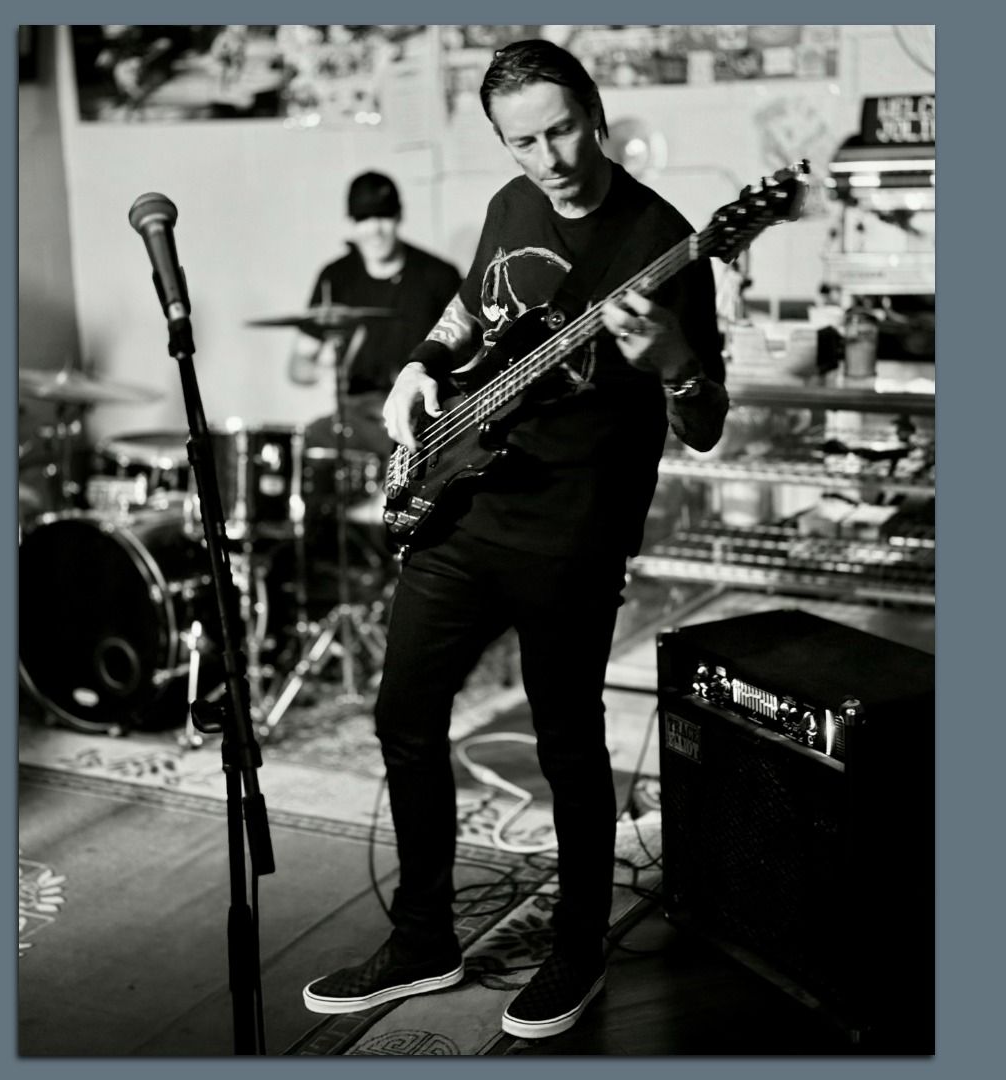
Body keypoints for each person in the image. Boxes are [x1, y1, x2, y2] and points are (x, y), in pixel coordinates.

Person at [300, 40, 728, 1040]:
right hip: (467, 506)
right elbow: (470, 309)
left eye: (563, 130)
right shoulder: (511, 203)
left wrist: (672, 362)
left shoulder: (665, 241)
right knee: (403, 710)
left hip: (574, 532)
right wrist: (419, 365)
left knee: (566, 740)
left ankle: (577, 949)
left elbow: (704, 422)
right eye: (523, 141)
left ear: (597, 112)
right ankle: (422, 939)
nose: (550, 158)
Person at [289, 171, 463, 458]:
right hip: (357, 416)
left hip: (421, 410)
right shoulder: (335, 277)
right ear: (352, 223)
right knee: (305, 448)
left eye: (383, 216)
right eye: (363, 219)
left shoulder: (439, 276)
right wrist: (323, 373)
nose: (374, 229)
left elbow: (469, 350)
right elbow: (298, 365)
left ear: (398, 217)